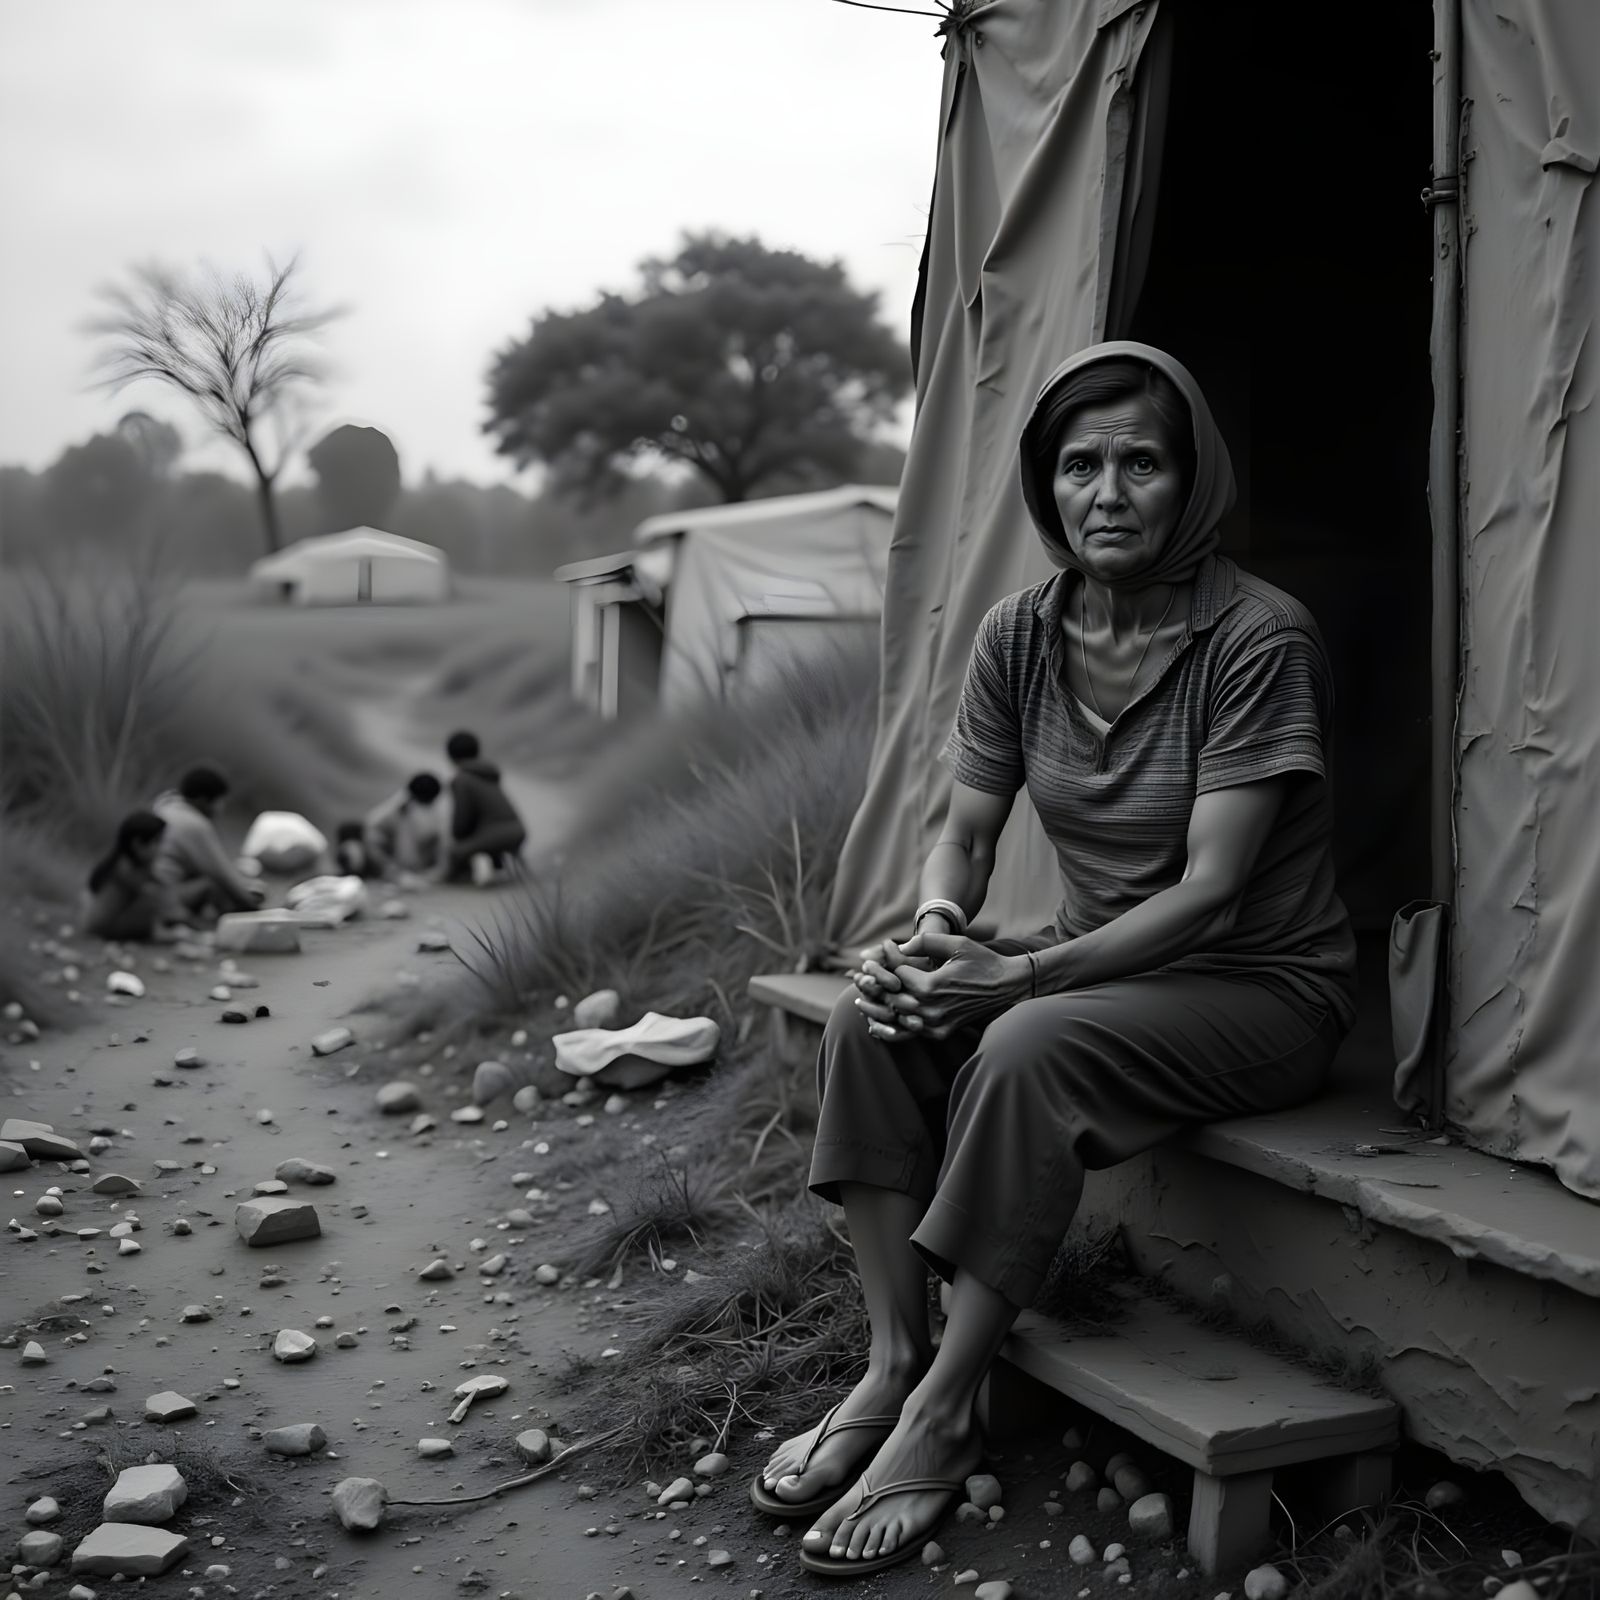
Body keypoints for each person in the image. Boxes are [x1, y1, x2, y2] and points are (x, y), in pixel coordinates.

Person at [754, 343, 1358, 1575]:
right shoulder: (1021, 634)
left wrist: (1017, 976)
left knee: (1025, 1044)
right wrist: (934, 933)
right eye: (1080, 464)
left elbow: (1210, 889)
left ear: (1190, 481)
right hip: (1096, 964)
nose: (1108, 491)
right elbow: (965, 834)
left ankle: (947, 1410)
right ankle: (893, 1359)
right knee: (877, 1013)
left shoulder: (1257, 639)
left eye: (1142, 461)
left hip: (1257, 985)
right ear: (1047, 485)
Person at [151, 764, 266, 922]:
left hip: (149, 894)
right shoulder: (194, 824)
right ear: (203, 800)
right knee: (213, 885)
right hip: (165, 898)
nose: (220, 808)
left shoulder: (166, 807)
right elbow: (221, 874)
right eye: (219, 801)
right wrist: (254, 908)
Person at [81, 811, 187, 942]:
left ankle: (165, 931)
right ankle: (160, 933)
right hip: (104, 927)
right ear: (137, 844)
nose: (161, 848)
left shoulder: (125, 862)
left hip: (103, 923)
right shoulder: (126, 868)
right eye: (157, 842)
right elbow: (155, 896)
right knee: (152, 898)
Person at [441, 731, 526, 884]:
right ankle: (495, 867)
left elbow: (462, 821)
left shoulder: (461, 780)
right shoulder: (489, 773)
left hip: (495, 837)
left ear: (451, 756)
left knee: (454, 852)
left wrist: (457, 838)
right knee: (481, 836)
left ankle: (477, 869)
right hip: (518, 831)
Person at [363, 772, 445, 877]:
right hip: (382, 855)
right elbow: (371, 831)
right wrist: (391, 868)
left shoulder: (423, 807)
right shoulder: (400, 807)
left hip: (408, 863)